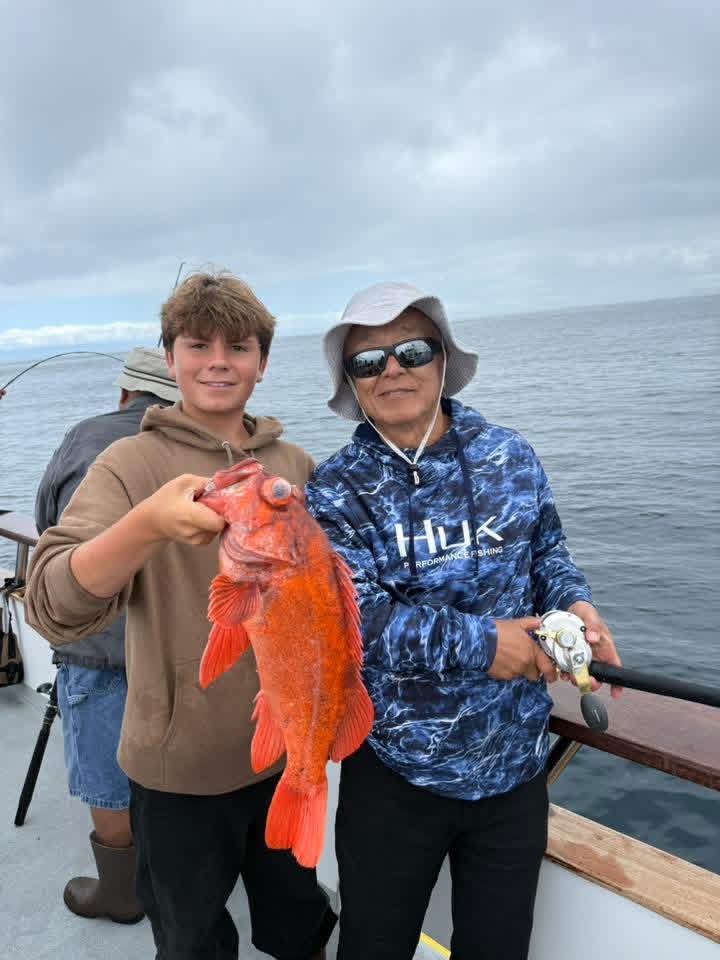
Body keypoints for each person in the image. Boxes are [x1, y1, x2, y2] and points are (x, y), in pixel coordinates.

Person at [305, 281, 622, 960]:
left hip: (514, 769)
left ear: (443, 358)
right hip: (393, 775)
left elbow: (548, 554)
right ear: (351, 382)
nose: (393, 369)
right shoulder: (332, 490)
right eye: (368, 361)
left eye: (413, 351)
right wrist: (486, 644)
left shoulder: (510, 453)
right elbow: (358, 620)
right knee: (372, 947)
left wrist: (575, 604)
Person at [25, 272, 336, 960]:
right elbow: (52, 603)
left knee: (299, 925)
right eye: (198, 345)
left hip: (282, 755)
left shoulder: (292, 463)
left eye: (239, 347)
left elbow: (339, 594)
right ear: (170, 359)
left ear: (262, 362)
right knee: (190, 941)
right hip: (176, 772)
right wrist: (145, 525)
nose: (218, 362)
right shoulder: (128, 463)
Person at [34, 346, 179, 923]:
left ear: (124, 392)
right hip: (174, 643)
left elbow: (49, 523)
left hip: (96, 644)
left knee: (105, 774)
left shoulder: (84, 436)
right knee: (174, 767)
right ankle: (182, 872)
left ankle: (121, 891)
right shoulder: (192, 446)